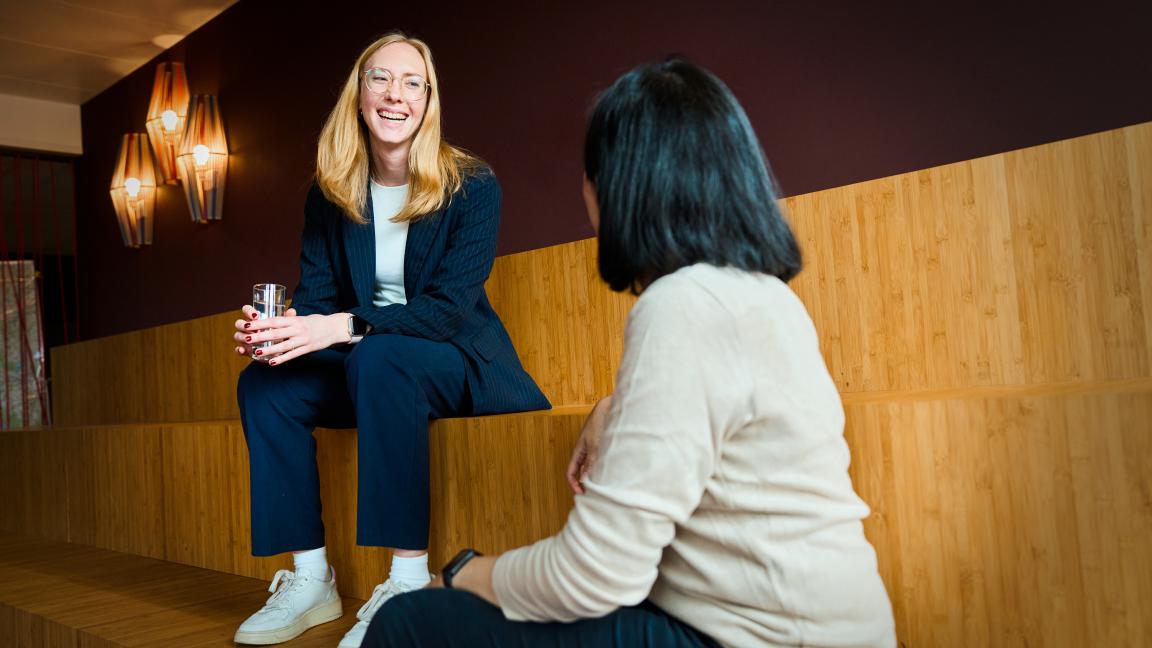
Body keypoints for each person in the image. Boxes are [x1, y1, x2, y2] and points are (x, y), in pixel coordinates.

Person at [363, 58, 897, 647]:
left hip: (758, 637)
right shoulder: (757, 294)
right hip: (824, 627)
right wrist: (614, 404)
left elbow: (592, 576)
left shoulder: (682, 305)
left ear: (616, 186)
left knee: (407, 623)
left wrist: (463, 572)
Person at [229, 32, 549, 647]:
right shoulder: (330, 194)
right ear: (359, 94)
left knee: (381, 353)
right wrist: (282, 334)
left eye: (412, 82)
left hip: (450, 361)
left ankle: (407, 582)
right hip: (369, 368)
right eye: (380, 78)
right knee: (265, 383)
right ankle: (310, 579)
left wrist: (344, 327)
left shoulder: (472, 186)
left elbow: (448, 311)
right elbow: (319, 301)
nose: (395, 94)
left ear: (429, 102)